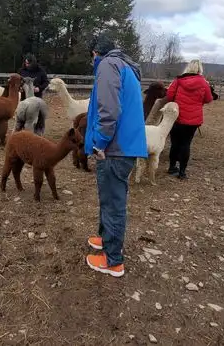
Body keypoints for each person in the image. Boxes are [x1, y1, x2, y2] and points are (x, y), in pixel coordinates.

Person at [83, 32, 148, 278]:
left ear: (94, 53)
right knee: (109, 197)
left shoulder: (108, 66)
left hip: (114, 148)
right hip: (123, 146)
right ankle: (105, 238)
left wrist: (99, 142)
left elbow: (108, 110)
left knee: (113, 203)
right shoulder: (123, 66)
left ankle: (113, 261)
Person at [165, 59, 214, 179]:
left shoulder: (178, 80)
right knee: (186, 144)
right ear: (199, 69)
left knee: (175, 143)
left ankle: (171, 168)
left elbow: (169, 96)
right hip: (193, 120)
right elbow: (208, 99)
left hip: (177, 117)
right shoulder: (203, 83)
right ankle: (182, 173)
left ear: (188, 67)